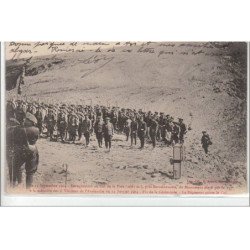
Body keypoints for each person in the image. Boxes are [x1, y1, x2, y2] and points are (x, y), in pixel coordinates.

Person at [6, 112, 39, 188]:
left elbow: (14, 137)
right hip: (32, 150)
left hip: (21, 151)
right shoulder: (36, 129)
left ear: (30, 121)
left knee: (16, 167)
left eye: (26, 119)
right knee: (30, 172)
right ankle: (28, 188)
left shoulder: (19, 129)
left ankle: (16, 184)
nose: (24, 120)